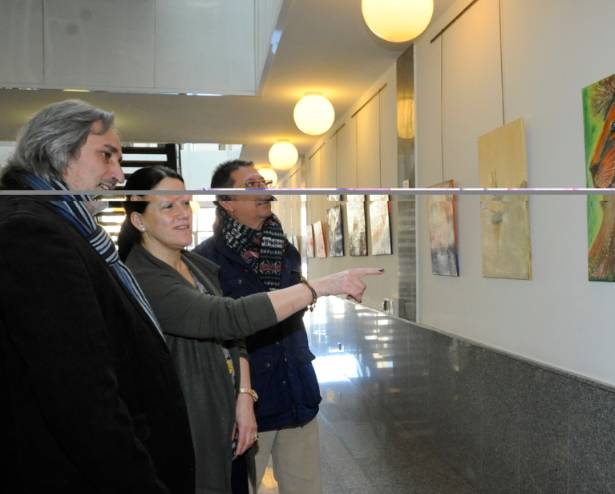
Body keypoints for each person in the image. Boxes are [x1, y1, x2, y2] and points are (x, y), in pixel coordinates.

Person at [118, 165, 380, 494]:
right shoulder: (163, 271)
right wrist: (320, 287)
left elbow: (234, 337)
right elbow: (228, 318)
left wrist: (243, 395)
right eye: (169, 205)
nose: (183, 213)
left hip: (288, 390)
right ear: (139, 220)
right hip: (208, 414)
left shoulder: (205, 265)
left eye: (185, 203)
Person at [0, 99, 195, 493]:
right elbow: (80, 395)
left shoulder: (65, 228)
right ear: (57, 151)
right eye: (106, 156)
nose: (119, 175)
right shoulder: (33, 233)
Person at [194, 160, 321, 494]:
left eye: (263, 182)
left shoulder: (286, 250)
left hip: (298, 394)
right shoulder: (205, 260)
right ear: (226, 201)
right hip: (249, 407)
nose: (263, 190)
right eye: (251, 185)